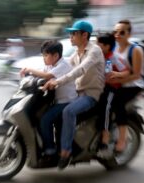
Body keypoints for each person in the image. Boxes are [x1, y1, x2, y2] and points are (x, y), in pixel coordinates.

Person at [42, 20, 105, 169]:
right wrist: (40, 76)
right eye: (70, 34)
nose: (71, 36)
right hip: (78, 94)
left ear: (84, 35)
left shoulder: (94, 51)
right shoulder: (76, 54)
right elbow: (62, 67)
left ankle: (66, 152)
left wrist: (57, 82)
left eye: (74, 33)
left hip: (90, 94)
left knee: (68, 111)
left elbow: (79, 70)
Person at [20, 40, 77, 156]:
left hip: (67, 101)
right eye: (43, 55)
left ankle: (50, 148)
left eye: (46, 55)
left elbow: (47, 76)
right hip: (56, 100)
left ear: (55, 55)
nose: (43, 58)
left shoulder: (63, 65)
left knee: (45, 119)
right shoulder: (51, 64)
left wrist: (30, 69)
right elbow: (42, 72)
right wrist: (29, 73)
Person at [108, 19, 144, 153]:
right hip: (118, 82)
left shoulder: (135, 50)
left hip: (134, 84)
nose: (117, 35)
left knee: (117, 103)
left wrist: (117, 79)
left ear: (129, 34)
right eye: (115, 32)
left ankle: (122, 139)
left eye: (122, 32)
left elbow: (136, 75)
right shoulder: (114, 47)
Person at [96, 33, 130, 157]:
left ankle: (105, 137)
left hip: (112, 89)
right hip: (99, 86)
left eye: (98, 44)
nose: (96, 46)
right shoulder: (99, 56)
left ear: (107, 46)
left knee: (106, 107)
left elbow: (127, 71)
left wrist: (116, 74)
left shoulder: (113, 57)